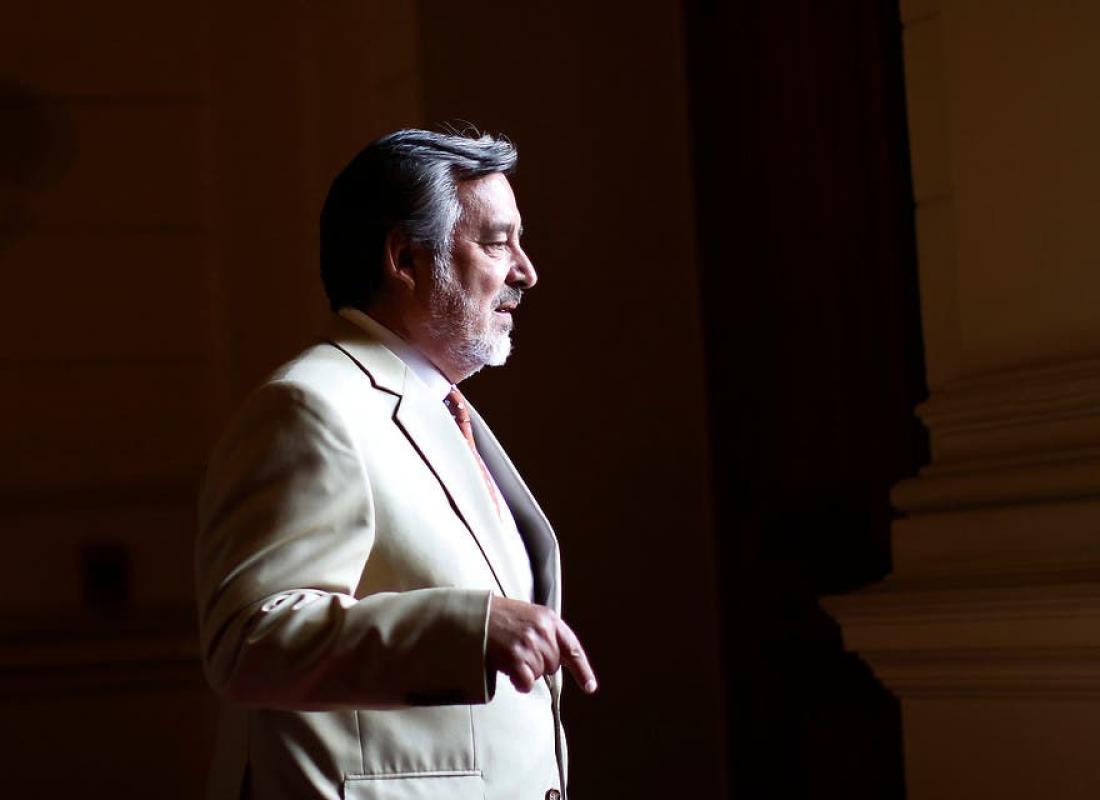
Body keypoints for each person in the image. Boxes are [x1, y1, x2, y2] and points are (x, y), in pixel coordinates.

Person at [195, 128, 596, 800]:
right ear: (405, 258)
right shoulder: (310, 406)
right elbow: (247, 642)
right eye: (498, 242)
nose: (525, 271)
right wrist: (469, 629)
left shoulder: (437, 405)